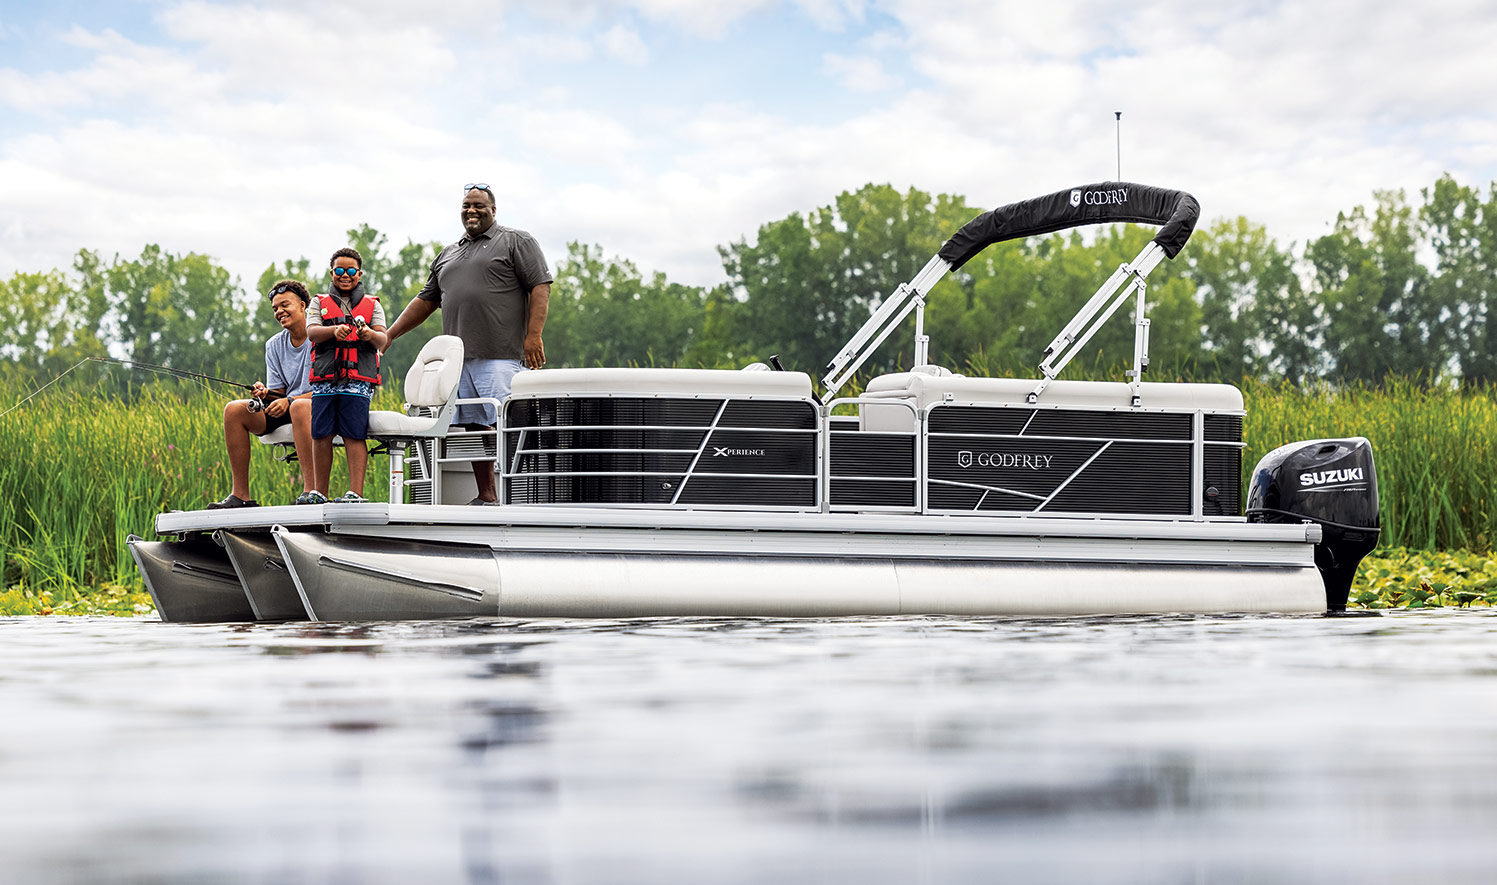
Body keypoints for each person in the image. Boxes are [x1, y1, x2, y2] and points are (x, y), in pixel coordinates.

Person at [383, 182, 552, 504]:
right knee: (475, 426)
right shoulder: (449, 252)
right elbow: (426, 300)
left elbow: (540, 287)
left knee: (508, 426)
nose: (472, 211)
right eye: (466, 206)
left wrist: (533, 336)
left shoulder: (516, 241)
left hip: (500, 354)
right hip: (460, 360)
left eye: (479, 206)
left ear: (493, 210)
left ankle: (524, 497)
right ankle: (487, 496)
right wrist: (389, 334)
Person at [208, 280, 316, 509]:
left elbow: (328, 389)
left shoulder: (321, 337)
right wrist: (266, 394)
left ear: (303, 306)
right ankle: (241, 496)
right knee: (235, 409)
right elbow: (280, 392)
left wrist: (290, 401)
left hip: (315, 406)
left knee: (298, 407)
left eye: (284, 305)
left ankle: (310, 492)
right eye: (275, 308)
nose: (279, 311)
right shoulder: (274, 345)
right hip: (288, 405)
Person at [304, 247, 387, 505]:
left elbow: (382, 338)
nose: (345, 275)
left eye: (351, 271)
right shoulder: (318, 302)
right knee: (321, 434)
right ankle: (319, 492)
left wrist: (369, 335)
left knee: (354, 434)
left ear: (359, 274)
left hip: (358, 383)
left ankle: (355, 493)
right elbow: (312, 332)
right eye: (339, 270)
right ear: (332, 273)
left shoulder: (373, 305)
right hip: (325, 381)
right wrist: (333, 331)